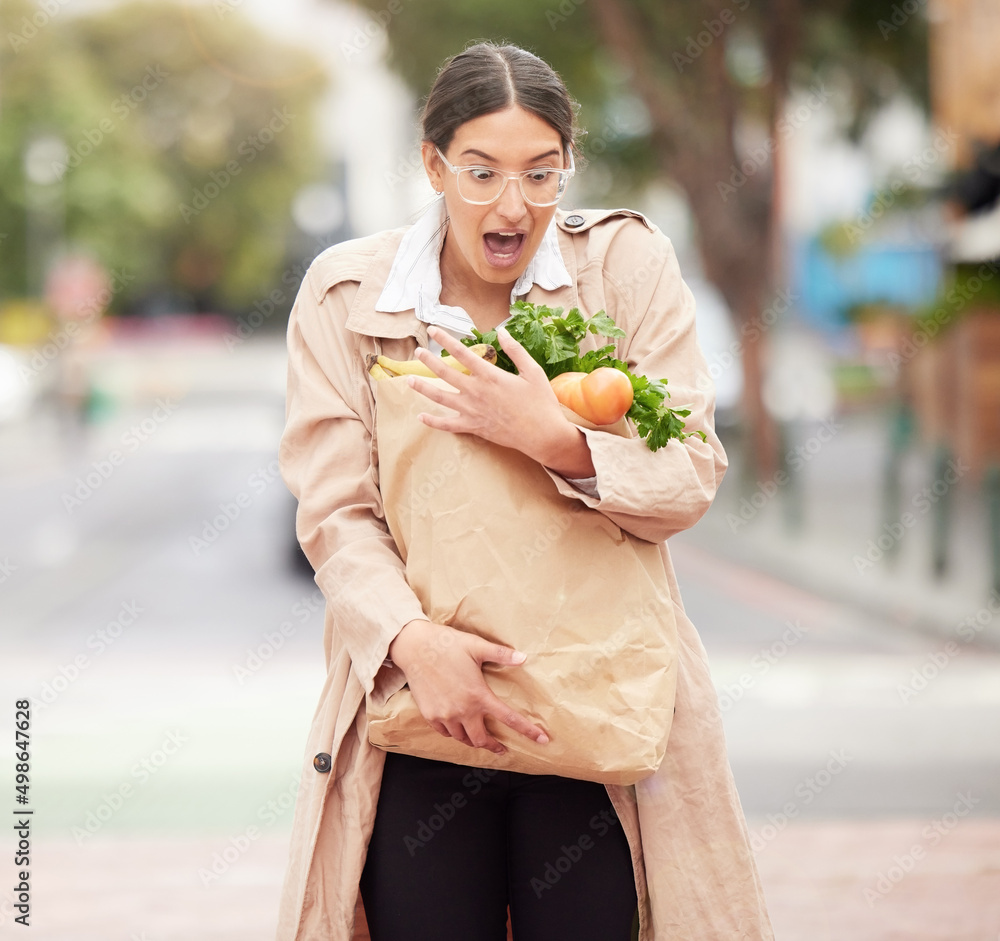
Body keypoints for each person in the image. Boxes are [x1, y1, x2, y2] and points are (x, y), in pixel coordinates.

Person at [275, 41, 773, 941]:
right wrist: (413, 642)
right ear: (433, 164)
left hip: (596, 709)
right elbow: (335, 510)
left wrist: (550, 437)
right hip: (423, 715)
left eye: (543, 174)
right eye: (482, 172)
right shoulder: (347, 296)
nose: (514, 205)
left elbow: (689, 473)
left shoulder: (620, 269)